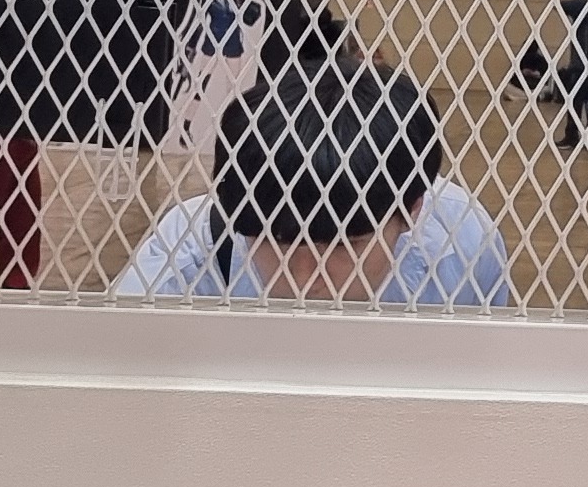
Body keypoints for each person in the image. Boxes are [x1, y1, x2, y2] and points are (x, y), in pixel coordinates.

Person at [111, 63, 510, 306]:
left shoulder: (464, 246)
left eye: (344, 246)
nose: (305, 279)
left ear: (412, 208)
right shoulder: (177, 271)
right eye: (278, 241)